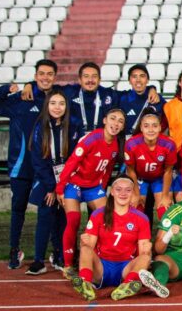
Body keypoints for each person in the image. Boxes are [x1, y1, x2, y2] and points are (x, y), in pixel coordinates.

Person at [0, 58, 58, 269]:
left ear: (54, 78)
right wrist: (6, 89)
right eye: (41, 74)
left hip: (44, 168)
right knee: (18, 208)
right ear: (35, 76)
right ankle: (14, 249)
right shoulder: (20, 99)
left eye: (50, 74)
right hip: (21, 167)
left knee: (49, 208)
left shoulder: (57, 100)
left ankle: (56, 251)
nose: (45, 77)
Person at [56, 108, 126, 278]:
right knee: (73, 219)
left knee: (107, 218)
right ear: (104, 120)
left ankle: (101, 258)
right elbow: (72, 162)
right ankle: (67, 264)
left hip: (93, 187)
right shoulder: (92, 138)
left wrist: (102, 186)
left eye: (120, 121)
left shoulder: (116, 145)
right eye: (113, 118)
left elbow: (108, 168)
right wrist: (60, 188)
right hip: (74, 184)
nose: (115, 123)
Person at [26, 88, 83, 276]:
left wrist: (64, 184)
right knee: (45, 217)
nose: (57, 107)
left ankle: (60, 257)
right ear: (46, 105)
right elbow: (38, 161)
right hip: (46, 180)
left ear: (67, 106)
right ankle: (38, 261)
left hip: (67, 178)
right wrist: (52, 187)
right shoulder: (39, 127)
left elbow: (77, 156)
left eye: (61, 103)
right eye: (53, 103)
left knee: (65, 220)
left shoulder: (73, 125)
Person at [69, 176, 152, 302]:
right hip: (101, 267)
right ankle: (85, 283)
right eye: (119, 189)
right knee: (85, 249)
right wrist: (84, 242)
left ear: (133, 192)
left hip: (125, 268)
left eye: (128, 190)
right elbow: (89, 246)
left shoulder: (141, 218)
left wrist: (147, 251)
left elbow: (142, 252)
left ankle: (127, 285)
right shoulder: (98, 214)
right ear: (112, 192)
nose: (123, 193)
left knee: (146, 257)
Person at [124, 107, 176, 219]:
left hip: (159, 178)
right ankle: (138, 234)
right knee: (136, 204)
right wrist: (136, 194)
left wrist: (165, 195)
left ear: (160, 128)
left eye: (155, 126)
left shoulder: (169, 144)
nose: (151, 130)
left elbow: (168, 171)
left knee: (165, 205)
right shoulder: (131, 144)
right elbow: (130, 170)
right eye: (146, 126)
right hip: (139, 178)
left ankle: (165, 235)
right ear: (141, 128)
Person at [62, 62, 118, 134]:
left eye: (94, 76)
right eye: (86, 76)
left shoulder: (109, 94)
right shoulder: (69, 93)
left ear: (99, 79)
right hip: (75, 142)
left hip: (100, 141)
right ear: (79, 80)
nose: (90, 80)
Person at [117, 64, 165, 140]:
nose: (138, 80)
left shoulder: (156, 98)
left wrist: (152, 88)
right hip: (129, 144)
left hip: (151, 143)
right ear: (129, 81)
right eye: (134, 76)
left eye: (142, 76)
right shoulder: (122, 98)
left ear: (147, 80)